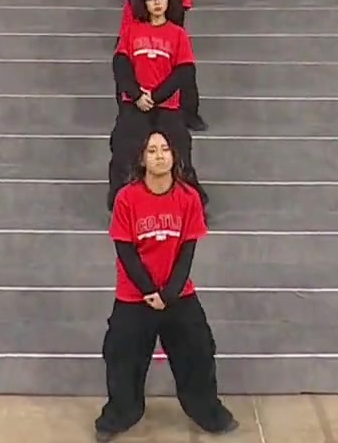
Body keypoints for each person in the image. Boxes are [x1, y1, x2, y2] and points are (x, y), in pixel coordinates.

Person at [96, 129, 237, 442]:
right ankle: (119, 414)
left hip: (177, 294)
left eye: (164, 150)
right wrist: (149, 291)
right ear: (142, 159)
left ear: (174, 156)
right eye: (152, 151)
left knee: (199, 349)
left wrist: (170, 293)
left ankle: (208, 412)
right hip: (135, 295)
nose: (159, 156)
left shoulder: (189, 199)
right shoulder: (126, 198)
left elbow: (187, 251)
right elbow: (125, 251)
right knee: (120, 354)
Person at [108, 0, 205, 210]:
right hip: (135, 104)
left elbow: (184, 71)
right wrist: (136, 95)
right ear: (144, 4)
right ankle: (120, 205)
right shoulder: (131, 31)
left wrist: (156, 96)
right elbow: (121, 66)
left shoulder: (178, 34)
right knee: (123, 149)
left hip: (167, 105)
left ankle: (190, 205)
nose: (157, 3)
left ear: (169, 1)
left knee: (180, 151)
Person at [123, 0, 206, 132]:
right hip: (137, 23)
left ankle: (189, 113)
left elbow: (182, 3)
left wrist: (171, 31)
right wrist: (146, 18)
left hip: (168, 25)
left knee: (185, 69)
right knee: (127, 67)